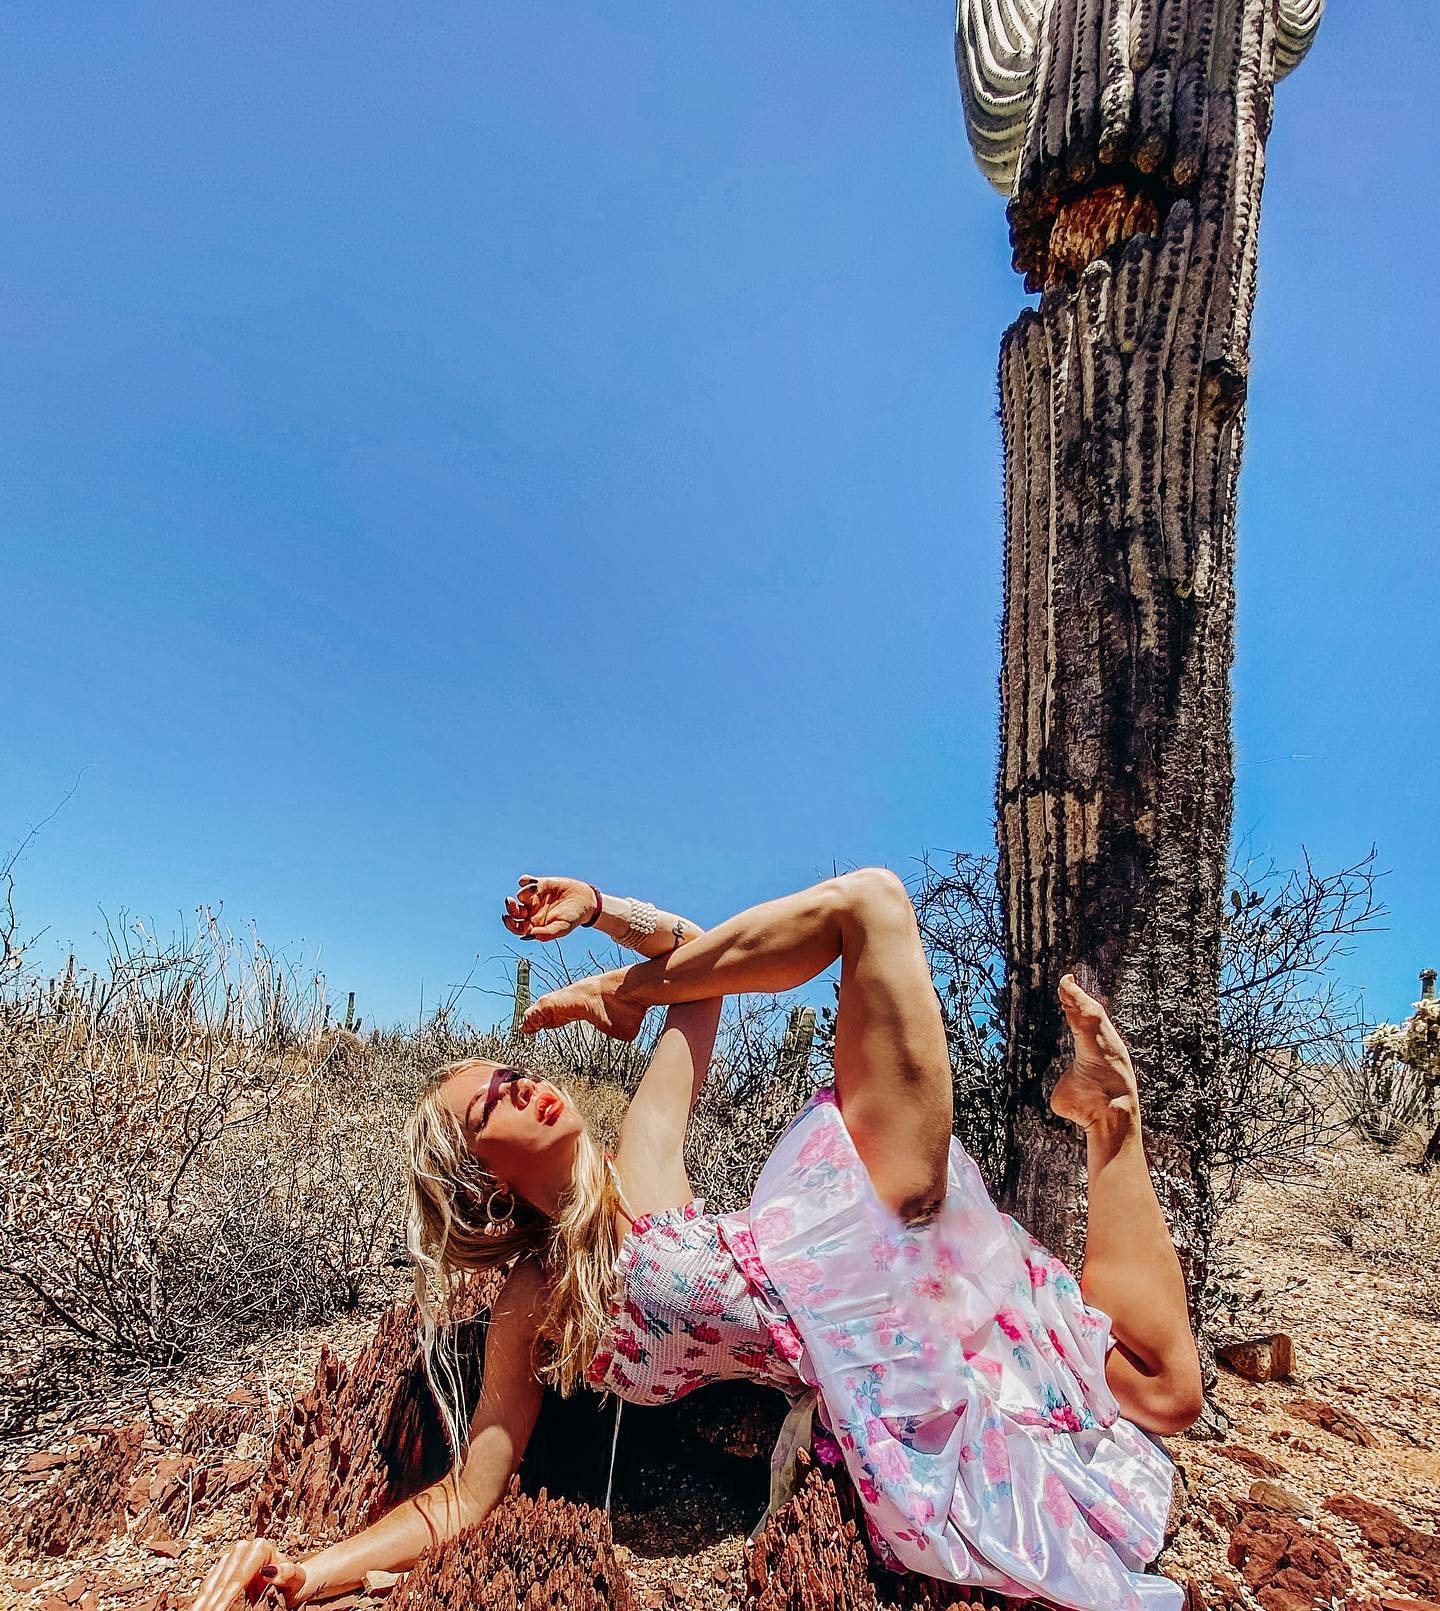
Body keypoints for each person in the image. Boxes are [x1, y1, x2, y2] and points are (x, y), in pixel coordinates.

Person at [193, 870, 1201, 1611]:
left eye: (509, 1068)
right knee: (1165, 1392)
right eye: (491, 1099)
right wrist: (307, 1571)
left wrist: (602, 910)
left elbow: (700, 968)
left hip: (847, 1228)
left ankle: (1103, 1119)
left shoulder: (642, 1157)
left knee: (870, 906)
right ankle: (1110, 1121)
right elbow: (467, 1493)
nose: (522, 1080)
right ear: (484, 1179)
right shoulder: (535, 1298)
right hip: (868, 1343)